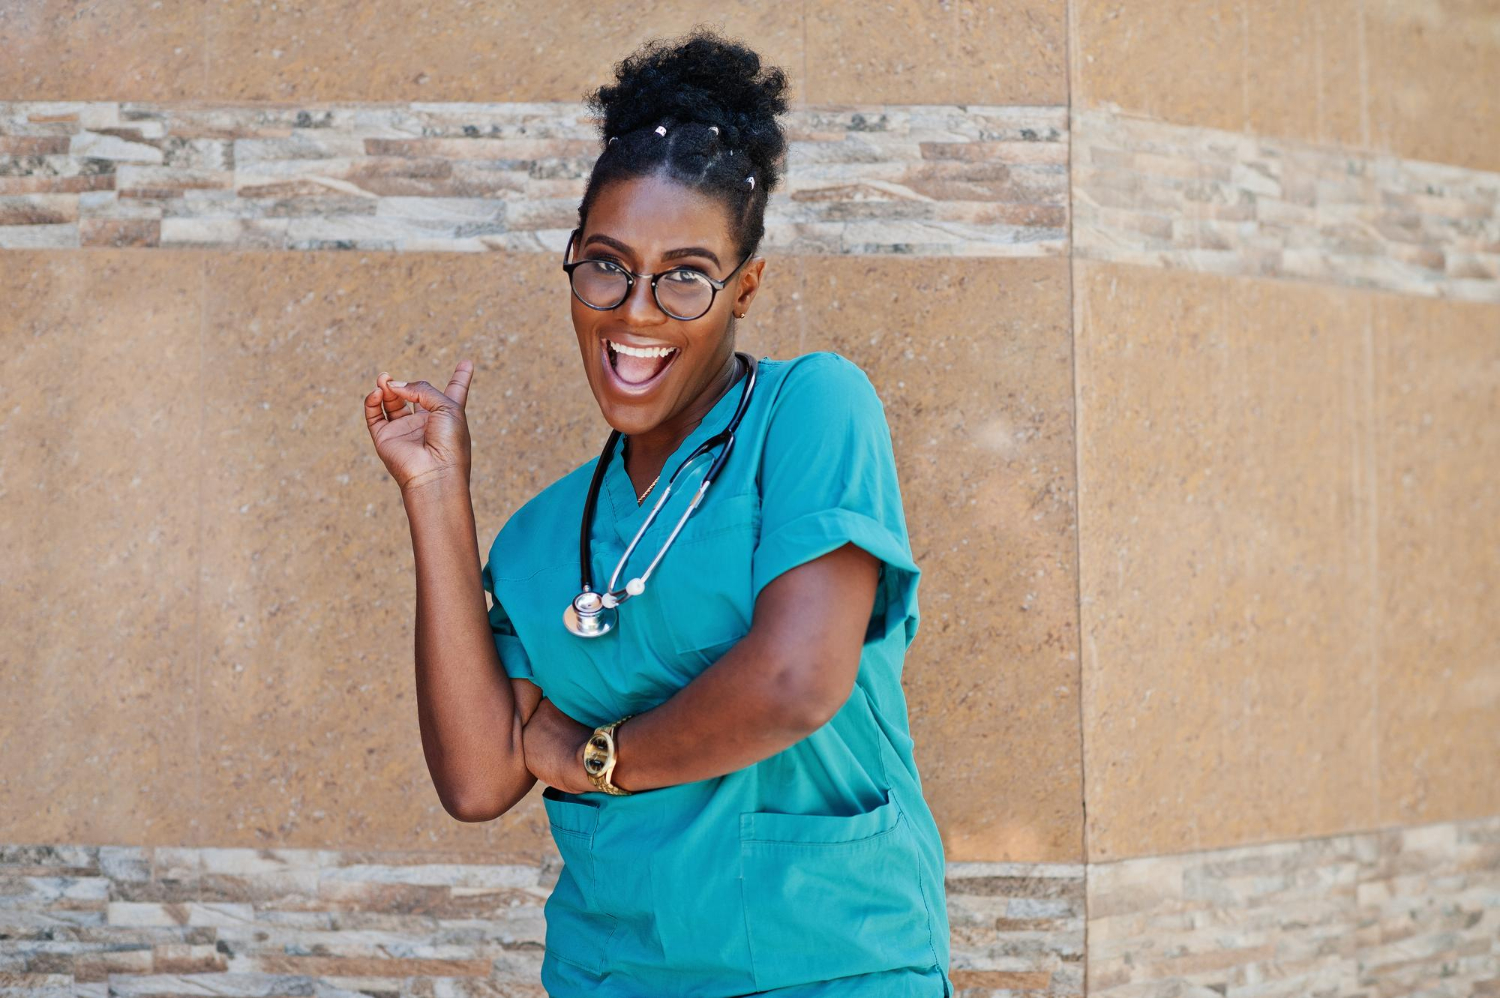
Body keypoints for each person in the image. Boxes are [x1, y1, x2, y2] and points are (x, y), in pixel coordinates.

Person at [362, 26, 953, 998]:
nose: (636, 311)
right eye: (606, 265)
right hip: (615, 974)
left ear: (744, 288)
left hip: (830, 965)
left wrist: (599, 755)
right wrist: (434, 494)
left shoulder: (809, 412)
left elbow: (797, 677)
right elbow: (478, 780)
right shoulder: (544, 539)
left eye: (685, 275)